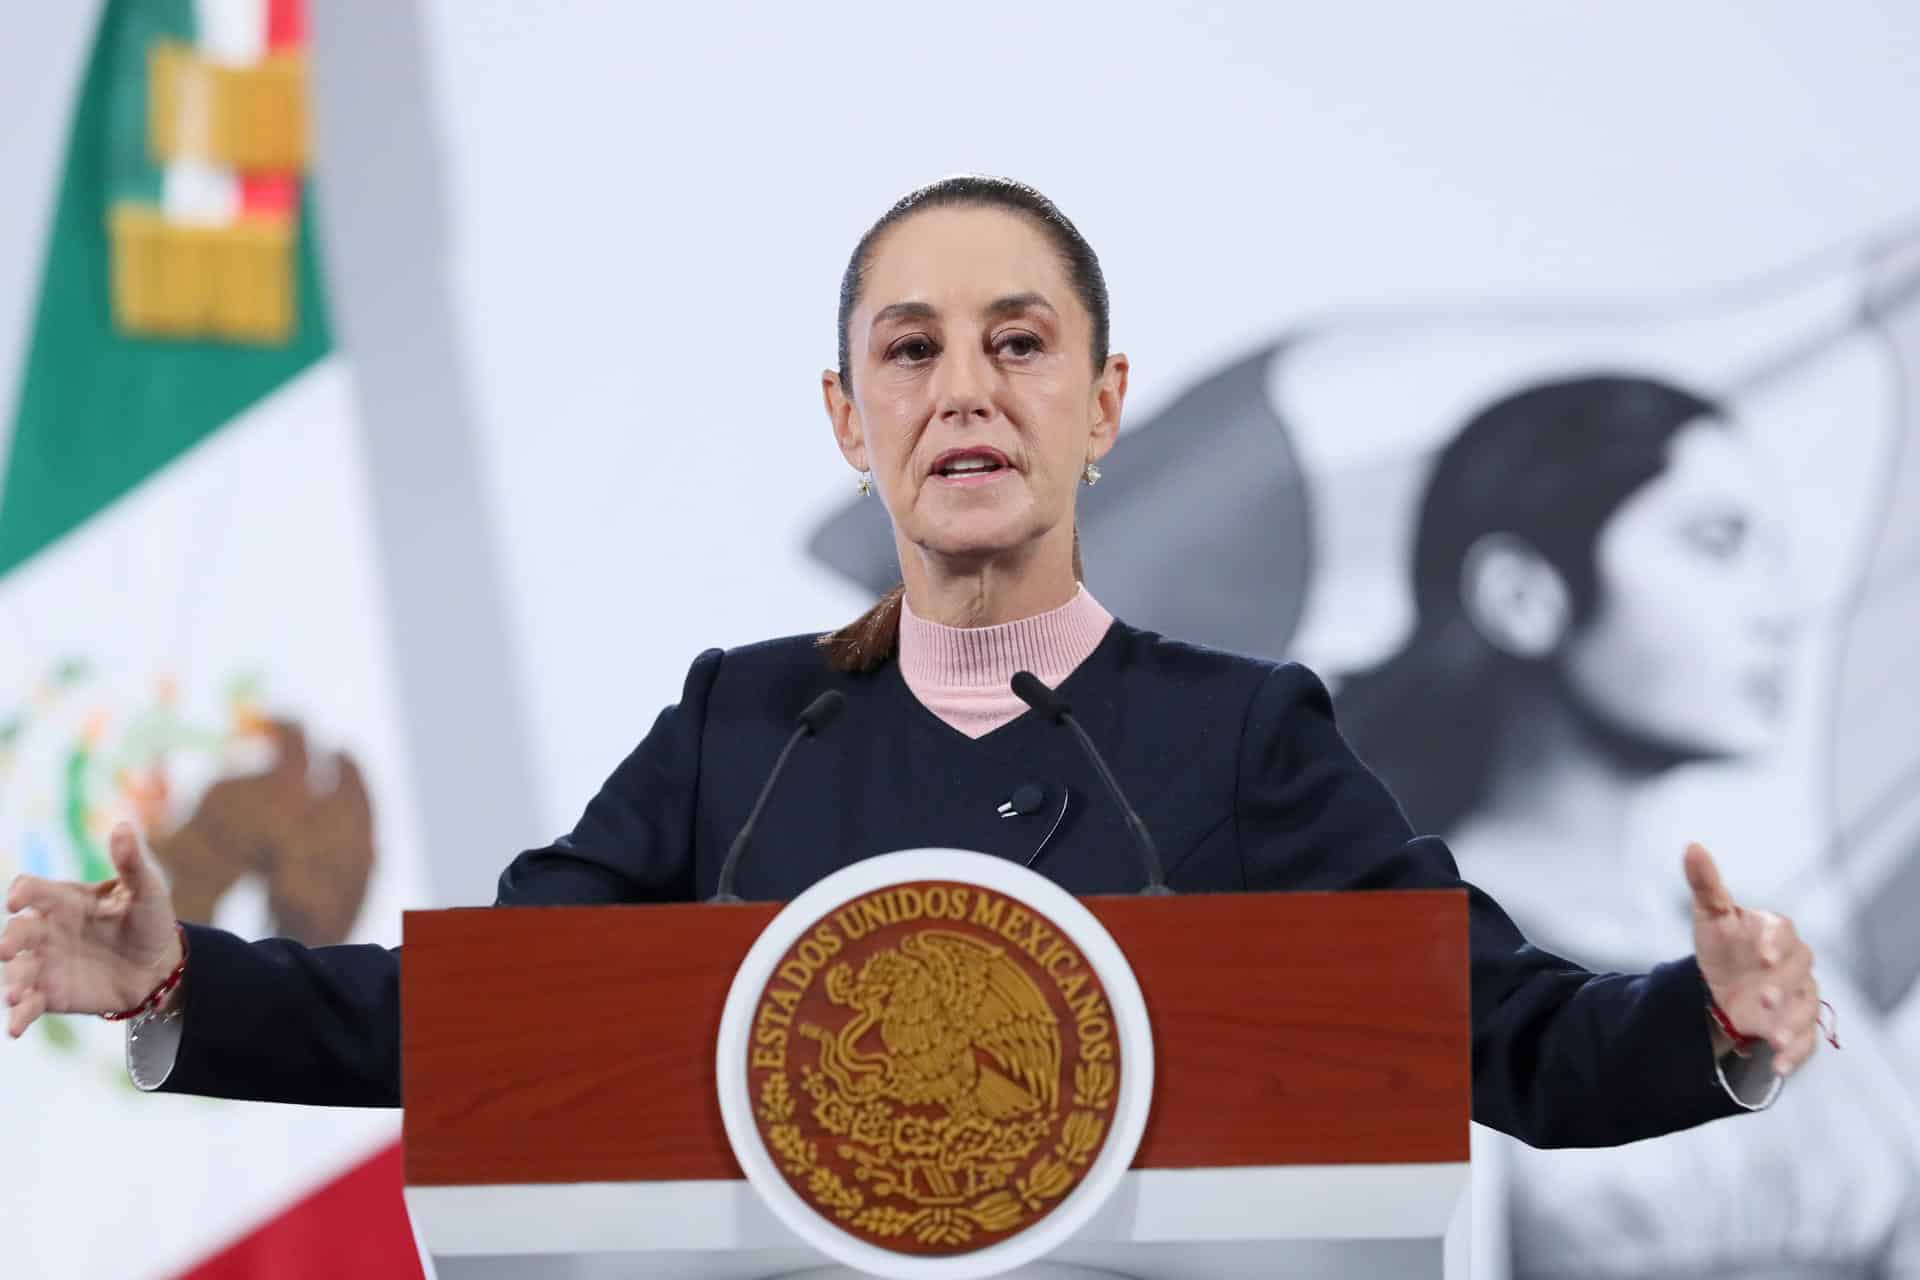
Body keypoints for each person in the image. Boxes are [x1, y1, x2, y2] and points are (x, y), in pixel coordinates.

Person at [3, 178, 1823, 1146]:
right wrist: (179, 987)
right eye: (910, 348)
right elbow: (492, 1018)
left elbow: (1504, 1039)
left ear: (1103, 407)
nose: (965, 389)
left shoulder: (1242, 739)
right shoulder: (740, 729)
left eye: (1019, 344)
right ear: (847, 416)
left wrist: (1714, 1025)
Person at [1337, 375, 1917, 1276]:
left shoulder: (1785, 955)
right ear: (1523, 594)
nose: (1779, 610)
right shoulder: (1393, 958)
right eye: (1716, 543)